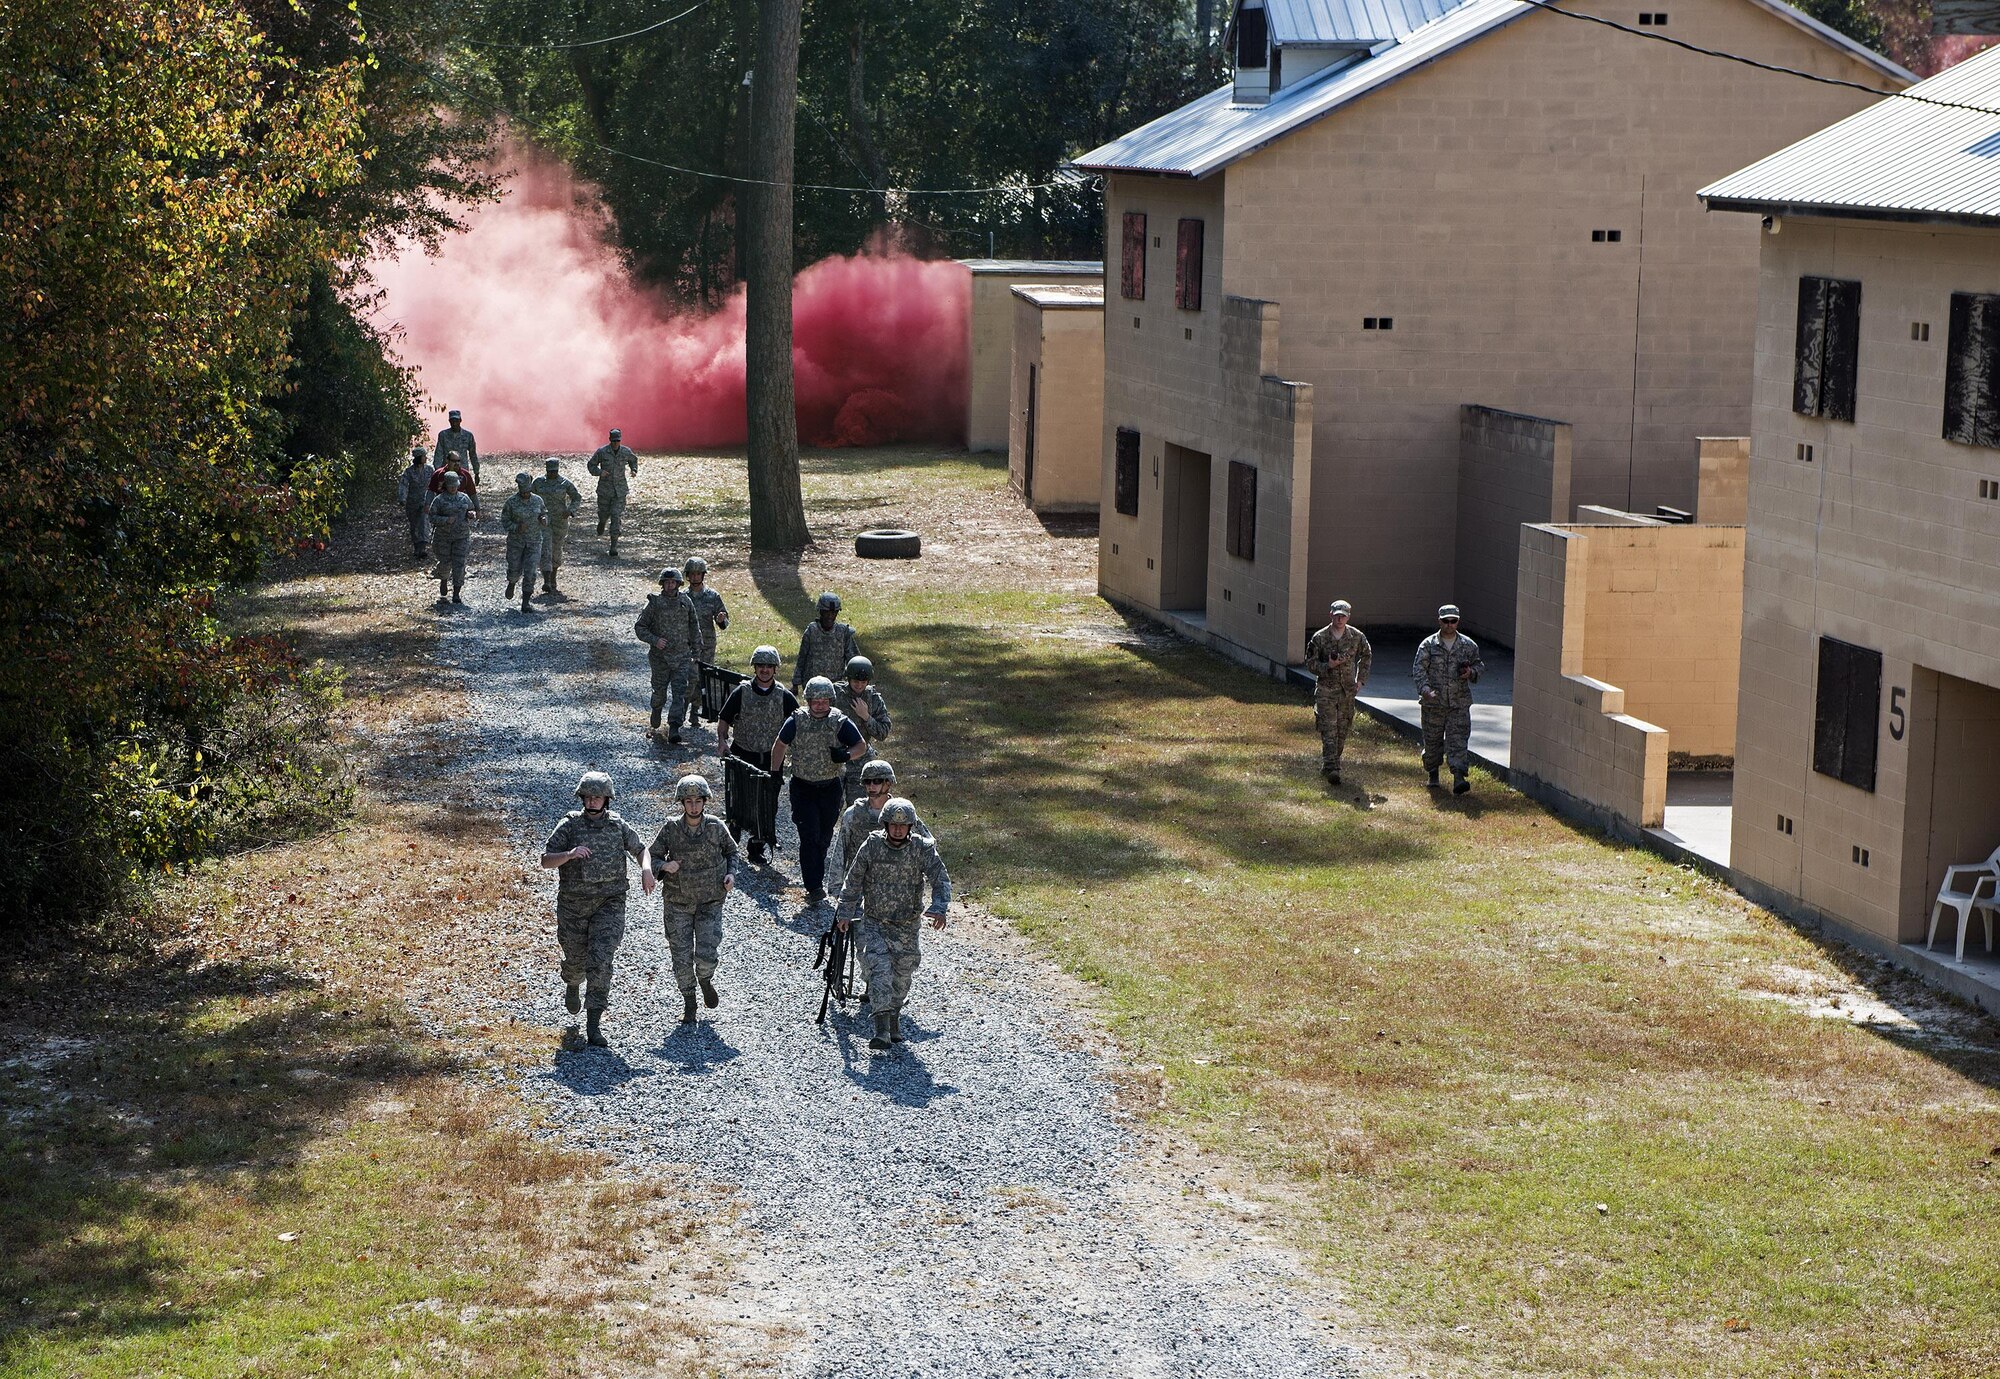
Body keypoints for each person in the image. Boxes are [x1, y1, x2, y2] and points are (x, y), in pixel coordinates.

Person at [540, 771, 654, 1048]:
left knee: (601, 959)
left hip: (610, 903)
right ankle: (572, 981)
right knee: (576, 958)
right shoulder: (569, 825)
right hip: (574, 905)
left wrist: (647, 869)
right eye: (588, 797)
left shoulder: (617, 825)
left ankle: (594, 1024)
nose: (592, 802)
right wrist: (568, 855)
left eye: (598, 797)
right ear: (582, 798)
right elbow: (545, 860)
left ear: (607, 799)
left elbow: (640, 849)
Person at [836, 798, 950, 1052]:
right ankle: (881, 1030)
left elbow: (941, 880)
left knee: (902, 976)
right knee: (880, 972)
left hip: (907, 926)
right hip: (875, 923)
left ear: (911, 827)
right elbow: (853, 881)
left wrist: (939, 907)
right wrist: (844, 912)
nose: (898, 830)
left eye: (904, 826)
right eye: (893, 825)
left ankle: (894, 1016)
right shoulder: (872, 846)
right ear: (885, 824)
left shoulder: (922, 849)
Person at [650, 774, 739, 1026]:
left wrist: (731, 874)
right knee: (680, 954)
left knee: (707, 952)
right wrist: (665, 866)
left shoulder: (715, 827)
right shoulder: (671, 829)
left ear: (704, 802)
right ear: (682, 803)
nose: (693, 806)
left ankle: (705, 978)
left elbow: (732, 852)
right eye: (688, 801)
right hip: (678, 902)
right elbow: (652, 857)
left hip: (710, 901)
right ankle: (689, 1000)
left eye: (697, 801)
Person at [769, 675, 867, 904]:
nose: (820, 705)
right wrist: (775, 774)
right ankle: (813, 886)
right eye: (816, 701)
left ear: (831, 701)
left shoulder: (839, 721)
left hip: (830, 788)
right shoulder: (796, 720)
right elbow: (780, 745)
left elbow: (861, 745)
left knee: (824, 836)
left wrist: (846, 755)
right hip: (803, 788)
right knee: (809, 835)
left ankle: (817, 876)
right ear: (808, 701)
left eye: (824, 701)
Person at [716, 646, 797, 863]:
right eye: (760, 666)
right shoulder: (741, 693)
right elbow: (724, 719)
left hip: (771, 760)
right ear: (755, 668)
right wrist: (722, 741)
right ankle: (731, 843)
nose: (764, 670)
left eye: (769, 666)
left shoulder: (785, 697)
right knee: (737, 801)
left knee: (767, 805)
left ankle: (757, 847)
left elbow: (799, 725)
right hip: (742, 756)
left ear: (775, 669)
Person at [1413, 603, 1483, 795]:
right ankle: (1433, 773)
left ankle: (1458, 777)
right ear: (1439, 621)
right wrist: (1425, 689)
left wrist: (1471, 672)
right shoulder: (1428, 645)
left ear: (1458, 622)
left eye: (1453, 621)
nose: (1449, 625)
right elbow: (1419, 670)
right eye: (1446, 621)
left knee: (1458, 741)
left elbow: (1479, 667)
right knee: (1433, 742)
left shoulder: (1468, 645)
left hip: (1458, 704)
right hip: (1433, 704)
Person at [1305, 599, 1373, 785]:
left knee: (1342, 730)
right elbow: (1310, 663)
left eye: (1343, 616)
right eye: (1337, 616)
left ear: (1348, 616)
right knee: (1328, 728)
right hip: (1326, 689)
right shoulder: (1319, 638)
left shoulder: (1356, 637)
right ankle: (1333, 767)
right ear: (1331, 615)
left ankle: (1332, 763)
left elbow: (1366, 655)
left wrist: (1361, 680)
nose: (1340, 619)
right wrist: (1328, 665)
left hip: (1347, 691)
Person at [835, 758, 927, 888]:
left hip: (894, 887)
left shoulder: (902, 812)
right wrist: (836, 886)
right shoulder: (853, 814)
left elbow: (927, 845)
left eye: (877, 781)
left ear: (888, 783)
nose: (871, 786)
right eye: (867, 781)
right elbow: (841, 850)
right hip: (859, 887)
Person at [635, 567, 699, 743]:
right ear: (662, 584)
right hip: (660, 658)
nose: (670, 585)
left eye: (673, 582)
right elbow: (639, 627)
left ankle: (674, 727)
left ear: (679, 584)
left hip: (682, 657)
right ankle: (656, 710)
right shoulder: (654, 603)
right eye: (667, 582)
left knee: (680, 693)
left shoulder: (686, 602)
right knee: (660, 692)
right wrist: (655, 640)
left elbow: (694, 626)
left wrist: (696, 651)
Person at [833, 656, 892, 803]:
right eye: (855, 681)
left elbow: (883, 732)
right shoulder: (835, 694)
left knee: (859, 806)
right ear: (848, 679)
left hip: (861, 760)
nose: (859, 685)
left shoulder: (873, 699)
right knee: (831, 805)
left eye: (863, 682)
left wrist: (866, 716)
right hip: (835, 757)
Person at [683, 556, 729, 722]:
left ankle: (696, 709)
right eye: (692, 574)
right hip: (688, 645)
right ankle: (683, 710)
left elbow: (724, 620)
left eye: (698, 574)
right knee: (690, 676)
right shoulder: (682, 597)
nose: (695, 577)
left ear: (703, 575)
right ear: (687, 575)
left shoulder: (712, 596)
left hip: (707, 644)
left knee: (703, 677)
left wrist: (721, 620)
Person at [530, 457, 582, 595]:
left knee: (556, 548)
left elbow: (576, 497)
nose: (552, 474)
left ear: (558, 470)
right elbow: (530, 497)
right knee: (545, 548)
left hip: (560, 521)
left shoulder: (565, 483)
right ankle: (547, 580)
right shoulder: (538, 482)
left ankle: (553, 577)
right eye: (550, 471)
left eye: (554, 471)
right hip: (544, 520)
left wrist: (571, 510)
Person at [425, 471, 477, 605]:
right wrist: (445, 520)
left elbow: (472, 510)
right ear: (445, 485)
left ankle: (456, 593)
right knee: (445, 563)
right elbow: (431, 517)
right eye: (450, 485)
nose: (453, 488)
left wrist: (471, 514)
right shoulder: (439, 500)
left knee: (459, 564)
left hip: (462, 536)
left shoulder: (464, 498)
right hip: (443, 538)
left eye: (455, 485)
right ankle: (443, 580)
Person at [793, 592, 859, 692]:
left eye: (833, 613)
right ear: (820, 612)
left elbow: (854, 661)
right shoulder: (812, 631)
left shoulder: (843, 633)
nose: (830, 616)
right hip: (813, 685)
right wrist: (795, 683)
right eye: (826, 612)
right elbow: (802, 658)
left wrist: (859, 682)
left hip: (836, 686)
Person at [588, 427, 639, 556]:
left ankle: (613, 546)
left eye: (618, 441)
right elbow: (591, 465)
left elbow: (633, 460)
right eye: (614, 441)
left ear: (620, 440)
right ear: (610, 440)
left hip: (620, 491)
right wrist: (600, 472)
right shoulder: (602, 452)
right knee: (604, 513)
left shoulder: (625, 451)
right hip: (605, 490)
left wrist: (634, 470)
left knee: (616, 516)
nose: (616, 443)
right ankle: (602, 521)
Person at [500, 472, 547, 613]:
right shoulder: (511, 502)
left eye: (528, 491)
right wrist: (516, 527)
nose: (526, 493)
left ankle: (525, 602)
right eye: (523, 491)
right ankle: (512, 582)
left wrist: (544, 519)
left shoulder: (538, 500)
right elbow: (504, 521)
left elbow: (544, 513)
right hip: (516, 542)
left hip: (534, 541)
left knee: (531, 571)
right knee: (514, 568)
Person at [395, 445, 434, 557]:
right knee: (414, 525)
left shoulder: (429, 470)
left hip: (425, 501)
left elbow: (435, 484)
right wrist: (402, 498)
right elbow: (403, 485)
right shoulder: (409, 472)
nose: (425, 458)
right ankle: (416, 546)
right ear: (418, 457)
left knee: (423, 522)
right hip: (412, 503)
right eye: (423, 456)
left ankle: (422, 547)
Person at [433, 408, 479, 483]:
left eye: (456, 421)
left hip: (462, 470)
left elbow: (473, 454)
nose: (454, 423)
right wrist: (438, 472)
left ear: (460, 420)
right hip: (447, 470)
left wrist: (476, 472)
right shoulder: (443, 435)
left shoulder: (468, 435)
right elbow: (438, 454)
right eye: (452, 421)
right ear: (449, 421)